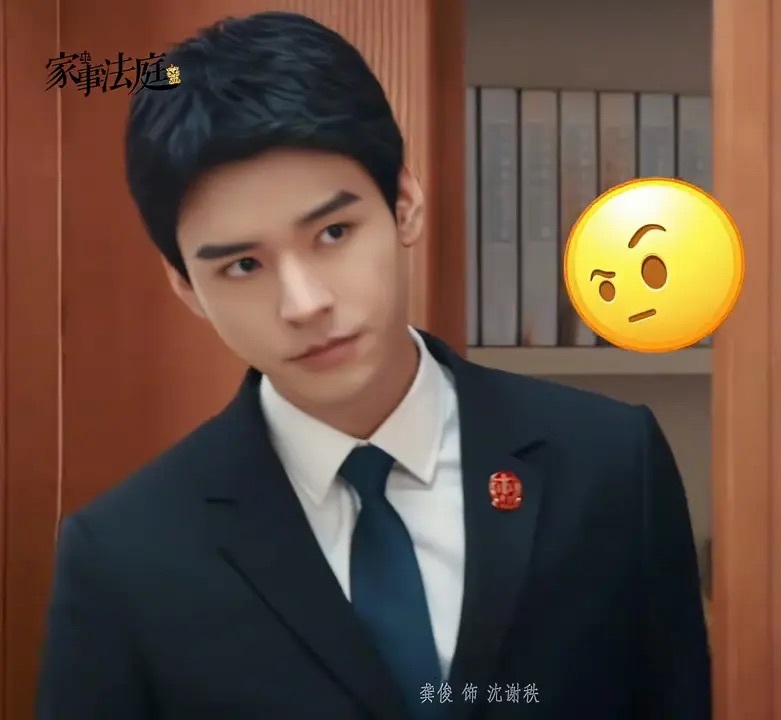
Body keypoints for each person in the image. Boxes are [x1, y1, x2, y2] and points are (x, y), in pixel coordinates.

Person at [37, 11, 710, 719]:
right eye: (242, 266)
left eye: (334, 232)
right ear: (186, 287)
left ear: (405, 203)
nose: (304, 303)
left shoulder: (611, 464)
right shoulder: (122, 556)